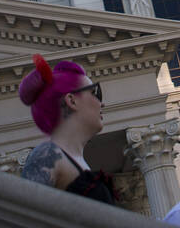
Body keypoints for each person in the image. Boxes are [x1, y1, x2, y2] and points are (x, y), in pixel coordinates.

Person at [18, 53, 115, 203]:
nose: (102, 103)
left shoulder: (76, 161)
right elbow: (24, 213)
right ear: (72, 100)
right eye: (95, 92)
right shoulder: (48, 154)